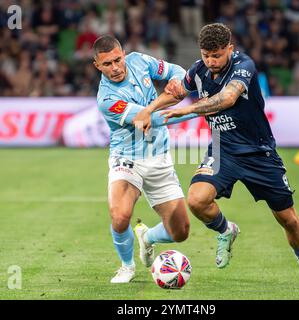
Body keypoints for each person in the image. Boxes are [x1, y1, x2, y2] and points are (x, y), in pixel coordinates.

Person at [140, 23, 299, 286]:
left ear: (230, 48)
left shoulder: (244, 66)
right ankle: (225, 230)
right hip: (223, 149)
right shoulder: (199, 69)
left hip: (258, 152)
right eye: (206, 55)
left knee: (287, 218)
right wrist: (149, 109)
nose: (211, 61)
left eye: (216, 55)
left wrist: (186, 111)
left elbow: (227, 98)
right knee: (196, 200)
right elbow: (176, 93)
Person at [93, 35, 199, 283]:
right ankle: (127, 266)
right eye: (107, 64)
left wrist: (175, 84)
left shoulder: (139, 61)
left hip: (159, 158)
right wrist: (197, 109)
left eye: (117, 60)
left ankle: (147, 237)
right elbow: (151, 119)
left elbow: (178, 71)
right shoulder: (106, 99)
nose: (115, 67)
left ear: (123, 53)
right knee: (120, 216)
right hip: (127, 158)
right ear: (97, 65)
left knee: (180, 231)